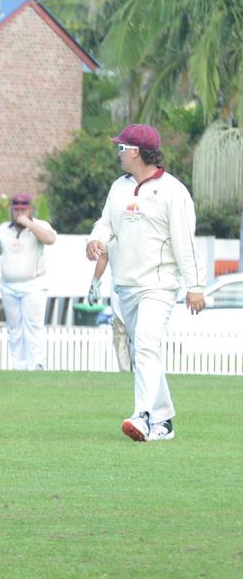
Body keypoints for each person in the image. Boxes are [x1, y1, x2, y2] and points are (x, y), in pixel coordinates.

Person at [85, 124, 205, 442]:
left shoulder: (172, 191)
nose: (118, 153)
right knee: (143, 350)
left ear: (136, 152)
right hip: (126, 284)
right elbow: (105, 223)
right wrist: (96, 240)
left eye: (121, 148)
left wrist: (195, 286)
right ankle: (164, 421)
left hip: (160, 284)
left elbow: (185, 243)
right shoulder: (119, 187)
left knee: (147, 345)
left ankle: (143, 417)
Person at [0, 193, 57, 370]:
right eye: (16, 210)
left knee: (33, 326)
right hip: (8, 286)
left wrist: (29, 223)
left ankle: (37, 364)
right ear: (11, 211)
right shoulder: (2, 229)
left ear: (30, 210)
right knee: (14, 328)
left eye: (23, 209)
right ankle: (19, 365)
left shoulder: (39, 226)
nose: (19, 213)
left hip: (34, 285)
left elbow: (50, 239)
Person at [87, 253, 132, 373]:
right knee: (119, 330)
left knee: (141, 333)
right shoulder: (112, 234)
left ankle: (142, 371)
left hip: (143, 284)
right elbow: (104, 255)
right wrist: (95, 281)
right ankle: (126, 372)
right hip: (119, 284)